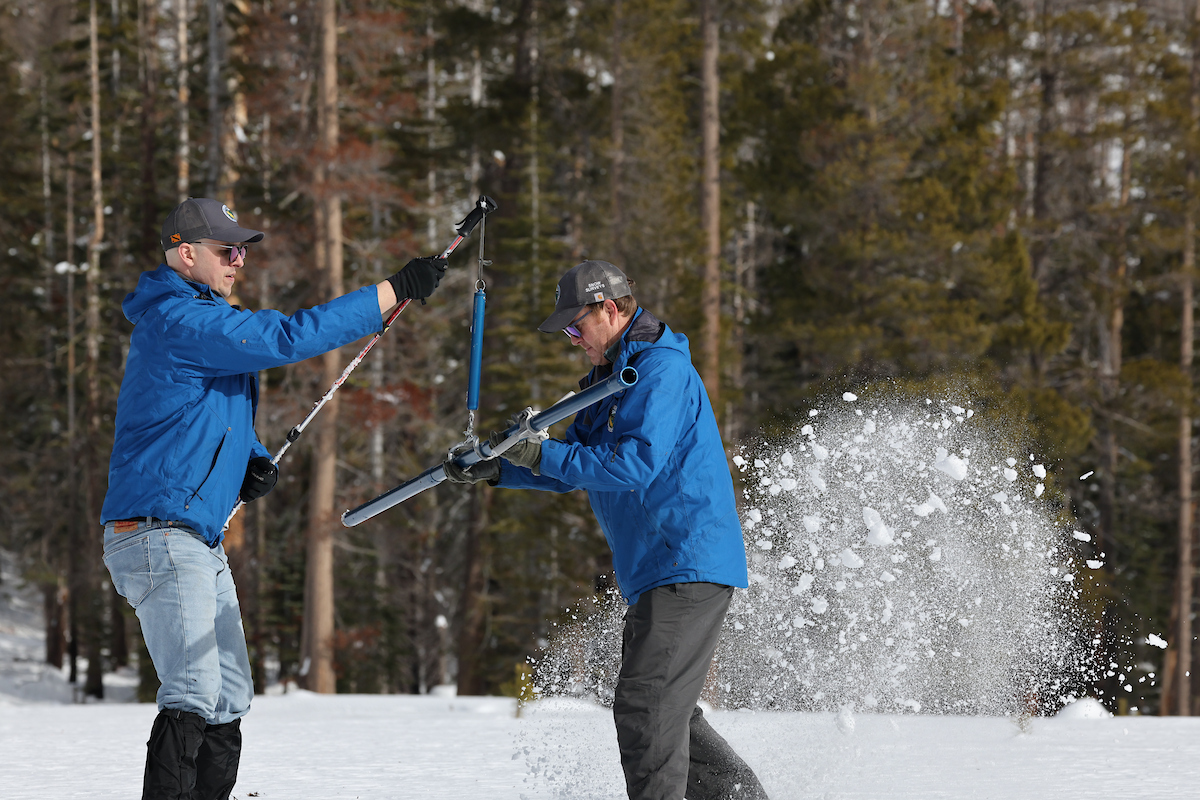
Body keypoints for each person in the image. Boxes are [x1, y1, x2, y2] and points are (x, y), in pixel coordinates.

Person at [100, 197, 446, 800]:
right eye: (225, 249)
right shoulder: (179, 321)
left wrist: (251, 458)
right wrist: (390, 292)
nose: (238, 260)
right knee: (192, 691)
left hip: (194, 539)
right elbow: (286, 336)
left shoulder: (201, 321)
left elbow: (205, 416)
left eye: (243, 250)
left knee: (230, 693)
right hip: (156, 535)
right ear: (185, 254)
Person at [443, 260, 769, 800]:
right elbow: (576, 464)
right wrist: (500, 467)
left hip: (686, 561)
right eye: (566, 331)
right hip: (656, 570)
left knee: (647, 707)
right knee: (666, 712)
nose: (574, 340)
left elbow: (632, 465)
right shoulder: (608, 382)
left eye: (577, 326)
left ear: (610, 309)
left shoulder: (659, 372)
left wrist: (542, 453)